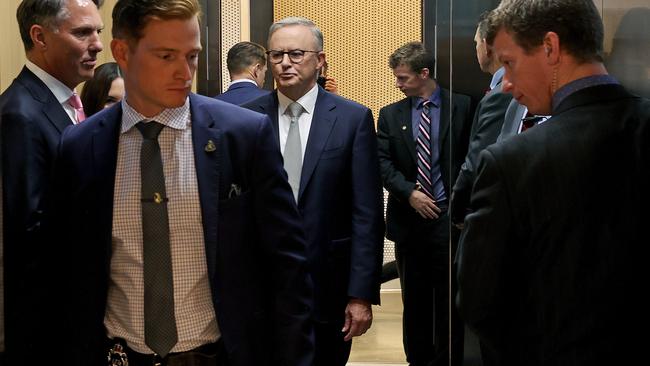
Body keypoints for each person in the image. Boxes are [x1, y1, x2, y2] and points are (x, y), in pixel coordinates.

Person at [49, 1, 314, 365]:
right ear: (122, 52)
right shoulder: (81, 147)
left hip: (219, 353)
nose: (184, 72)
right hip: (118, 355)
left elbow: (288, 262)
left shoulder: (242, 135)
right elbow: (68, 269)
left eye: (191, 56)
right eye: (166, 56)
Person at [456, 1, 649, 365]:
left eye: (509, 63)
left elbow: (479, 301)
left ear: (550, 47)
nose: (507, 84)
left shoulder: (511, 162)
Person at [243, 17, 384, 366]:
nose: (285, 63)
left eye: (295, 53)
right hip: (260, 288)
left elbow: (366, 213)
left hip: (328, 286)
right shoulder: (245, 119)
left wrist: (360, 294)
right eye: (276, 55)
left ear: (319, 60)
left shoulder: (353, 119)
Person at [0, 0, 103, 363]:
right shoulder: (20, 113)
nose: (97, 44)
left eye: (98, 32)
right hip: (48, 327)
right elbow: (31, 231)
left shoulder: (66, 103)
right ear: (39, 36)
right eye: (82, 32)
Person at [376, 41, 472, 366]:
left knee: (449, 304)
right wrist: (410, 194)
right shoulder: (391, 115)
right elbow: (383, 164)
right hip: (409, 222)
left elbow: (472, 159)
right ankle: (416, 361)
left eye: (403, 78)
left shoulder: (462, 106)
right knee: (414, 304)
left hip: (450, 222)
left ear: (424, 73)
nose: (397, 84)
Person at [450, 11, 512, 228]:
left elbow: (478, 157)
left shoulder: (502, 93)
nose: (475, 49)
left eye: (475, 43)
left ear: (486, 46)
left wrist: (457, 209)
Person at [214, 41, 270, 105]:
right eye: (265, 71)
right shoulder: (271, 101)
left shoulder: (212, 104)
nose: (264, 80)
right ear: (256, 69)